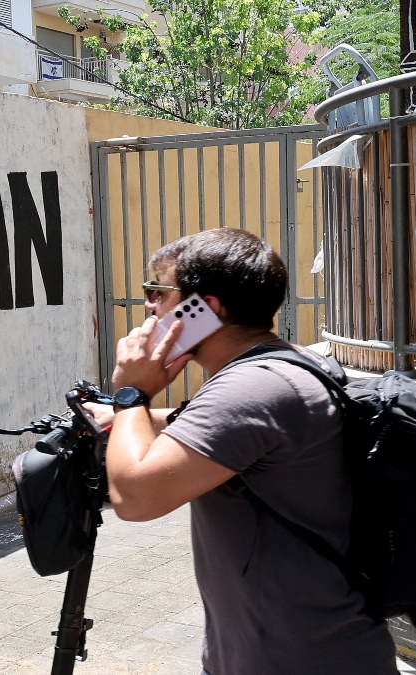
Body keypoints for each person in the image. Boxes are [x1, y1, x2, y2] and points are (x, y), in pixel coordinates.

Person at [89, 228, 397, 675]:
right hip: (285, 650)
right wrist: (125, 419)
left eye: (158, 292)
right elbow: (212, 427)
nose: (150, 307)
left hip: (299, 660)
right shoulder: (284, 362)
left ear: (206, 308)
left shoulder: (251, 388)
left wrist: (131, 394)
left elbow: (135, 498)